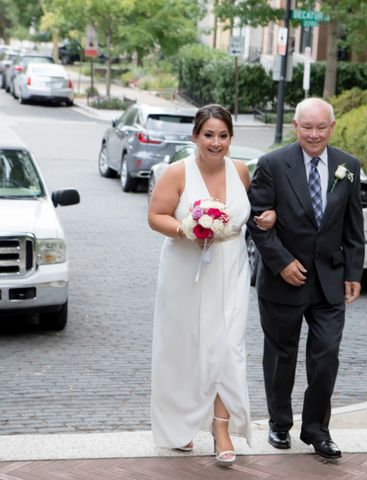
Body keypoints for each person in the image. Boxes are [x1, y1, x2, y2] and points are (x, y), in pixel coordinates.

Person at [148, 104, 274, 466]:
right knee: (184, 348)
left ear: (231, 139)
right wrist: (186, 228)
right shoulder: (178, 173)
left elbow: (247, 217)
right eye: (209, 135)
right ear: (195, 136)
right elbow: (156, 216)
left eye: (223, 135)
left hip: (230, 265)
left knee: (227, 347)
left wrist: (266, 220)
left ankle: (222, 428)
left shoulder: (239, 172)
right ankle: (180, 425)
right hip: (185, 268)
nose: (215, 142)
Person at [246, 97, 365, 459]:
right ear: (296, 126)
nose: (314, 134)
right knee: (282, 356)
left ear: (332, 127)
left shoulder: (348, 165)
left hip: (329, 280)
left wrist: (353, 271)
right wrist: (282, 263)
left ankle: (317, 430)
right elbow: (256, 221)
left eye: (321, 127)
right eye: (307, 127)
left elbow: (352, 224)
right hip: (283, 281)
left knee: (326, 356)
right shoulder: (271, 165)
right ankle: (279, 424)